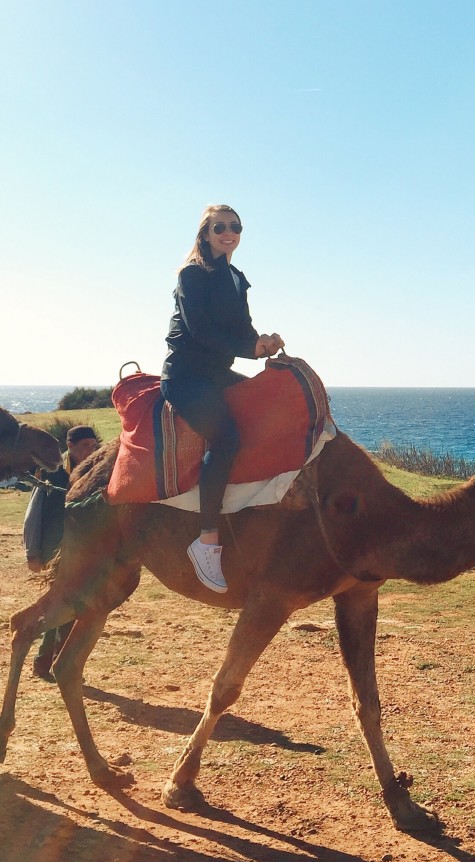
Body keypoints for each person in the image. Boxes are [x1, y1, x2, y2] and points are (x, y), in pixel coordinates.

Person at [161, 204, 284, 594]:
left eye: (235, 227)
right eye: (220, 227)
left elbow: (241, 329)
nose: (228, 233)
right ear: (206, 232)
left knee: (269, 408)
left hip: (216, 374)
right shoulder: (192, 275)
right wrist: (251, 350)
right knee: (227, 437)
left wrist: (261, 344)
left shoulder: (235, 277)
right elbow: (201, 333)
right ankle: (207, 538)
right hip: (187, 377)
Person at [23, 425, 99, 680]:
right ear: (71, 447)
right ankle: (53, 662)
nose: (91, 450)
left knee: (71, 607)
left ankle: (48, 662)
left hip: (85, 551)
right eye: (85, 446)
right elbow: (34, 514)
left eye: (93, 444)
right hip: (57, 552)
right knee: (65, 606)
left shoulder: (96, 473)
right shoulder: (53, 474)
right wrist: (33, 552)